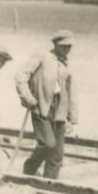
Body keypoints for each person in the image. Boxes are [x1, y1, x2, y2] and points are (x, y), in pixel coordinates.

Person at [15, 30, 78, 179]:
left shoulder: (67, 65)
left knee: (57, 154)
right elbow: (21, 75)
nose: (67, 49)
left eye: (69, 46)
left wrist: (72, 118)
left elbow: (71, 91)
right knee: (48, 144)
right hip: (41, 106)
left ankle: (49, 184)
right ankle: (29, 168)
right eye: (64, 46)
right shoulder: (42, 56)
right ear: (55, 44)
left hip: (60, 109)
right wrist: (27, 95)